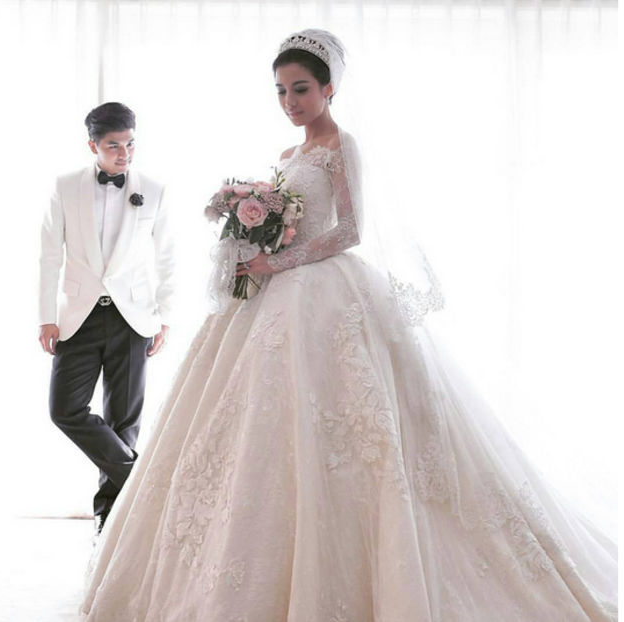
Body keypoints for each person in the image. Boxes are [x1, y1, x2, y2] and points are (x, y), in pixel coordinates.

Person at [81, 33, 617, 621]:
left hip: (326, 290)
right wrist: (251, 240)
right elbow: (284, 223)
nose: (290, 102)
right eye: (281, 91)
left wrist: (279, 261)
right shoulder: (287, 155)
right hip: (273, 293)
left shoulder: (343, 145)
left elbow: (351, 229)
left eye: (301, 89)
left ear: (329, 88)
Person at [38, 102, 175, 536]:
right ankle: (141, 482)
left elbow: (167, 257)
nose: (124, 153)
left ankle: (111, 520)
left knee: (123, 420)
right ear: (92, 145)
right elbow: (49, 255)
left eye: (130, 144)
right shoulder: (65, 187)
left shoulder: (153, 189)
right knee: (65, 409)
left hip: (132, 318)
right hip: (77, 317)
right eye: (114, 145)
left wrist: (165, 316)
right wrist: (46, 317)